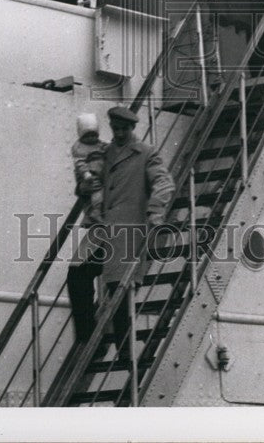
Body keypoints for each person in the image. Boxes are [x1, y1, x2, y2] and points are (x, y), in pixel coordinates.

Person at [66, 104, 175, 358]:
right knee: (76, 274)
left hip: (128, 231)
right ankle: (90, 340)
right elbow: (89, 182)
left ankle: (126, 357)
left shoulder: (145, 153)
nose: (120, 133)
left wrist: (155, 211)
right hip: (102, 229)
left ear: (132, 128)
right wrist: (83, 185)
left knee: (119, 294)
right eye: (115, 128)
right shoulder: (105, 152)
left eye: (124, 128)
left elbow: (164, 182)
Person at [70, 112, 107, 225]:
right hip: (92, 175)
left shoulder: (100, 144)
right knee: (97, 193)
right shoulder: (80, 148)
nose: (92, 138)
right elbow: (79, 163)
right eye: (88, 136)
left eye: (94, 135)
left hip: (102, 173)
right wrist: (86, 174)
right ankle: (95, 212)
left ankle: (94, 213)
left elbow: (106, 147)